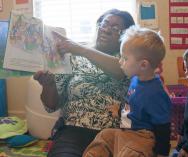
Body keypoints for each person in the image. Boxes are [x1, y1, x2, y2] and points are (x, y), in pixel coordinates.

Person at [34, 9, 135, 157]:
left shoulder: (128, 59)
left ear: (124, 35)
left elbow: (121, 71)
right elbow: (51, 105)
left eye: (115, 28)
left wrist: (82, 49)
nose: (106, 30)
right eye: (105, 23)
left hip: (113, 133)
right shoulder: (73, 58)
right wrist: (48, 85)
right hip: (74, 130)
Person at [83, 26, 172, 157]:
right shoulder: (135, 79)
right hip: (127, 132)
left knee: (130, 153)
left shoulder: (155, 93)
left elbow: (163, 126)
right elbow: (133, 105)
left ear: (143, 65)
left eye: (125, 58)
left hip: (143, 137)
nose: (120, 61)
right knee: (104, 135)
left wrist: (161, 153)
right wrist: (119, 111)